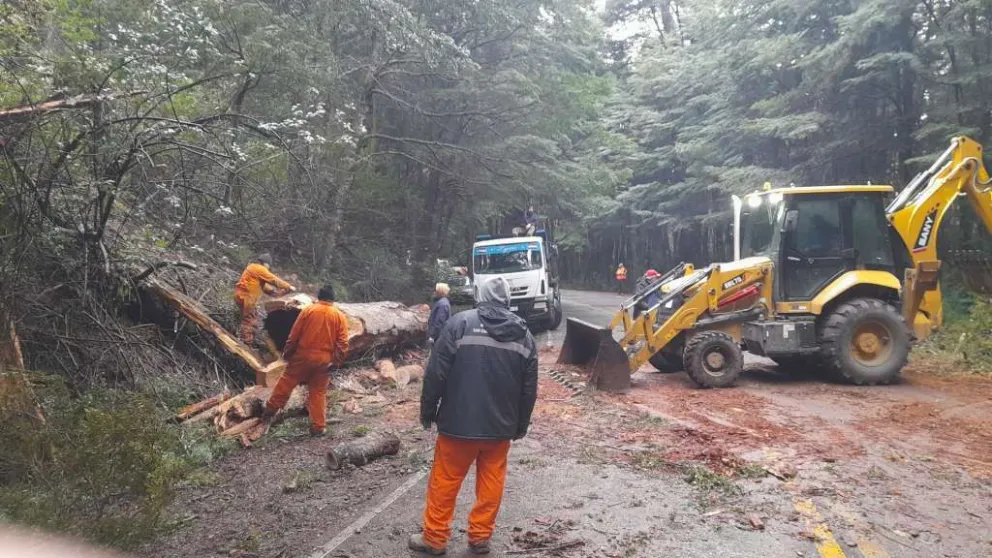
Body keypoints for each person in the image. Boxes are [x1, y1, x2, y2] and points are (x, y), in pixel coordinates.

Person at [409, 277, 538, 556]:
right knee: (492, 482)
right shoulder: (524, 335)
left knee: (445, 481)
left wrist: (427, 411)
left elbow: (435, 373)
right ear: (507, 300)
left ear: (481, 295)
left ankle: (434, 538)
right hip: (500, 428)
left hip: (457, 425)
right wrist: (520, 425)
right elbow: (529, 389)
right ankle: (479, 538)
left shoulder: (460, 324)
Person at [262, 285, 348, 436]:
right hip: (324, 360)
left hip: (303, 356)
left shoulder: (309, 310)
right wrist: (336, 362)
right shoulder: (339, 316)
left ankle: (269, 412)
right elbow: (343, 343)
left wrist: (288, 353)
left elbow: (294, 335)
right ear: (332, 299)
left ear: (318, 297)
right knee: (318, 392)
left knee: (286, 382)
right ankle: (319, 427)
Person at [233, 253, 295, 345]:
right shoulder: (259, 269)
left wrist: (275, 292)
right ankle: (245, 343)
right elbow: (273, 280)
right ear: (266, 263)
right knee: (250, 321)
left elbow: (264, 286)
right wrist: (288, 286)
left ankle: (245, 339)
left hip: (241, 296)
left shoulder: (253, 269)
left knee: (251, 318)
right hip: (247, 298)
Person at [427, 283, 452, 349]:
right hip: (440, 336)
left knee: (436, 355)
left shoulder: (442, 304)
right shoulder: (442, 302)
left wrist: (433, 336)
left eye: (435, 290)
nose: (434, 292)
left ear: (440, 292)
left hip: (439, 337)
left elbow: (439, 321)